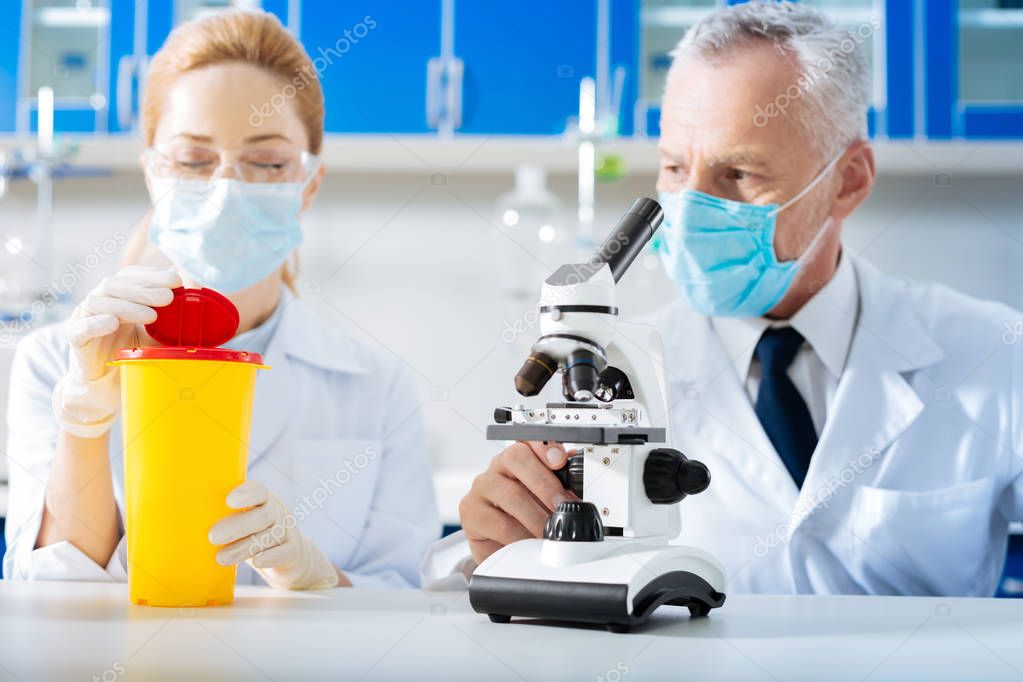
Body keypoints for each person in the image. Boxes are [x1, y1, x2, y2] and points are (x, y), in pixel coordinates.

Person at [423, 1, 1023, 596]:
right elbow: (490, 587)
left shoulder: (991, 354)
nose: (689, 207)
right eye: (675, 168)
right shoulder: (613, 379)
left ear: (849, 180)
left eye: (739, 173)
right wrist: (496, 543)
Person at [4, 10, 439, 588]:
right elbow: (53, 595)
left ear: (307, 183)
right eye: (193, 160)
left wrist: (317, 579)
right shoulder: (53, 362)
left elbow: (405, 602)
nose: (226, 188)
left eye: (267, 162)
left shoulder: (376, 385)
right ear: (155, 174)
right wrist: (86, 419)